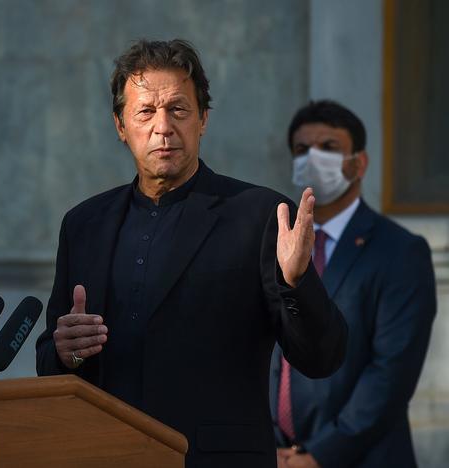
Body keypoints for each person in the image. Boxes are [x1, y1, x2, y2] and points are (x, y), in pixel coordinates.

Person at [36, 39, 347, 468]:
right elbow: (53, 361)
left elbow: (322, 357)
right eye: (145, 112)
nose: (162, 127)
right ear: (120, 125)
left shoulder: (260, 216)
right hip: (104, 453)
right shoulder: (84, 224)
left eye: (178, 110)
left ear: (203, 119)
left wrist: (297, 282)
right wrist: (64, 350)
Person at [270, 100, 436, 468]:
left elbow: (391, 372)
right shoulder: (275, 244)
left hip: (360, 458)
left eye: (328, 148)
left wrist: (319, 455)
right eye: (302, 150)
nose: (313, 158)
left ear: (358, 163)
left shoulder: (400, 252)